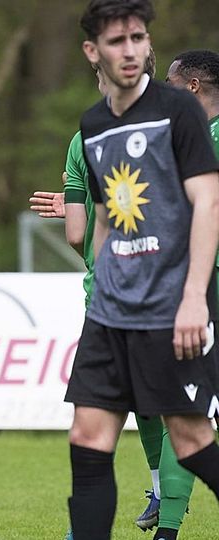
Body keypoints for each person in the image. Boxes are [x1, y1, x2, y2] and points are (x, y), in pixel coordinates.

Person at [66, 1, 219, 538]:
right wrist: (102, 285)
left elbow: (208, 203)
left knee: (192, 440)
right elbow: (105, 218)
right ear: (93, 51)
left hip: (169, 304)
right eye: (116, 41)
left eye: (138, 38)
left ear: (148, 44)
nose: (129, 50)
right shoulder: (92, 125)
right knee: (87, 439)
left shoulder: (180, 111)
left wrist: (195, 297)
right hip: (112, 310)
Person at [30, 53, 197, 539]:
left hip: (107, 294)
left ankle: (120, 511)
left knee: (101, 418)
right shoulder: (176, 131)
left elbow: (76, 234)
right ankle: (167, 519)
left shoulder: (84, 137)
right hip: (169, 288)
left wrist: (84, 219)